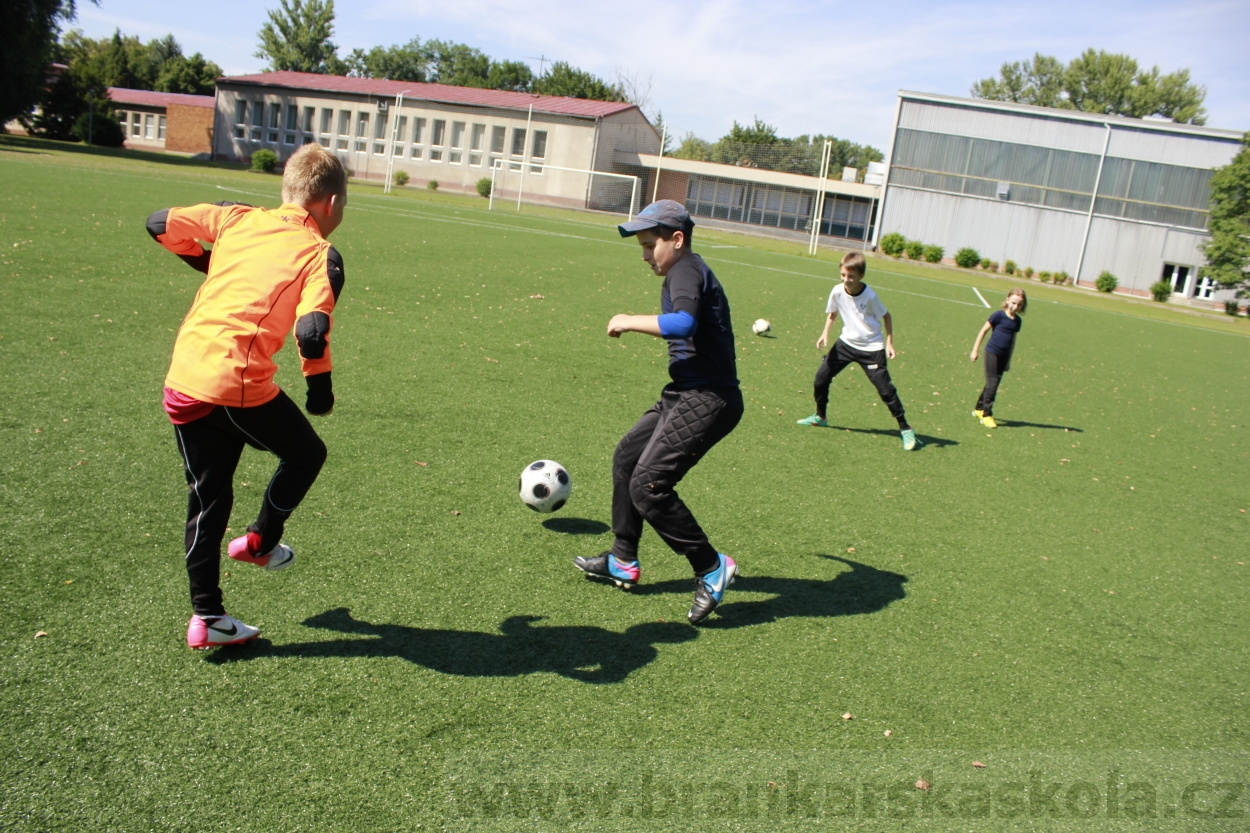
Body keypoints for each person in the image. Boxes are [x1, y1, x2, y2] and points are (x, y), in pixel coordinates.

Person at [147, 143, 347, 649]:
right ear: (331, 204)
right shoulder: (320, 253)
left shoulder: (238, 218)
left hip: (183, 378)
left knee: (208, 496)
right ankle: (260, 541)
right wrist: (319, 392)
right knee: (306, 453)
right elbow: (313, 331)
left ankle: (208, 617)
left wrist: (205, 262)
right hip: (233, 383)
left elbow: (160, 223)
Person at [573, 200, 744, 625]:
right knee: (627, 458)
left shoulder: (686, 269)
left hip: (708, 397)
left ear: (677, 240)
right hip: (685, 391)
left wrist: (630, 319)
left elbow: (684, 323)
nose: (646, 255)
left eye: (651, 245)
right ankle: (622, 558)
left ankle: (710, 566)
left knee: (649, 485)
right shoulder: (683, 270)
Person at [796, 251, 918, 451]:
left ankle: (905, 428)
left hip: (871, 348)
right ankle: (820, 416)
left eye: (851, 276)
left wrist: (890, 343)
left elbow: (887, 317)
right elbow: (832, 313)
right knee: (821, 378)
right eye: (843, 275)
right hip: (846, 344)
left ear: (861, 275)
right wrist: (824, 333)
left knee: (886, 390)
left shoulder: (870, 296)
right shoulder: (837, 290)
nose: (846, 280)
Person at [969, 287, 1027, 429]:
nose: (1015, 306)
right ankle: (986, 415)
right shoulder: (998, 316)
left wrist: (1008, 360)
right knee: (993, 382)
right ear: (1007, 299)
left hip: (1003, 356)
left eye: (1019, 305)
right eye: (1013, 302)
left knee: (992, 383)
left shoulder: (1017, 321)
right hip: (992, 352)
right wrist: (975, 350)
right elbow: (983, 331)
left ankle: (978, 408)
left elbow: (1012, 341)